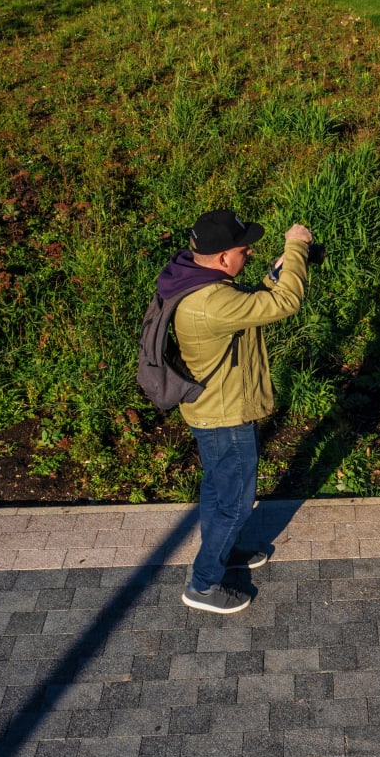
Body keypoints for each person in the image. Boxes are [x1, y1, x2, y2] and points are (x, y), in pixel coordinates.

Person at [154, 209, 312, 614]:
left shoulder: (195, 278)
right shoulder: (211, 301)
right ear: (223, 258)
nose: (251, 252)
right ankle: (204, 584)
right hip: (225, 417)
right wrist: (295, 246)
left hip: (208, 411)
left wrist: (272, 277)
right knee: (235, 503)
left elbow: (249, 304)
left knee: (217, 490)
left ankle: (228, 548)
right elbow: (286, 303)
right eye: (245, 249)